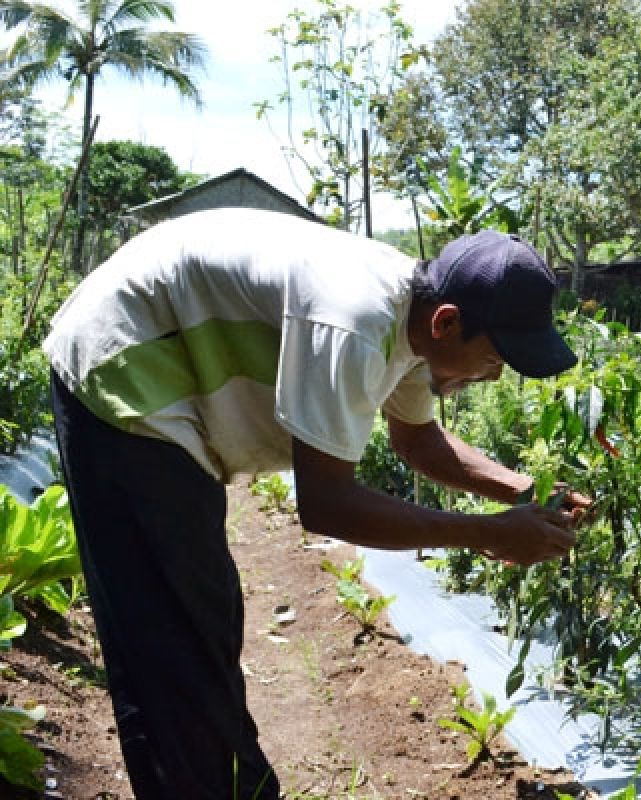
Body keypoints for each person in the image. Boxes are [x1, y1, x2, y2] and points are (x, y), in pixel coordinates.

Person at [43, 208, 589, 799]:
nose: (494, 376)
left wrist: (522, 492)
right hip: (121, 365)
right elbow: (327, 505)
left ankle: (230, 785)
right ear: (448, 323)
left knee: (208, 616)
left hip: (167, 392)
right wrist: (488, 533)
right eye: (496, 357)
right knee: (171, 635)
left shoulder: (414, 320)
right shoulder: (356, 320)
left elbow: (418, 440)